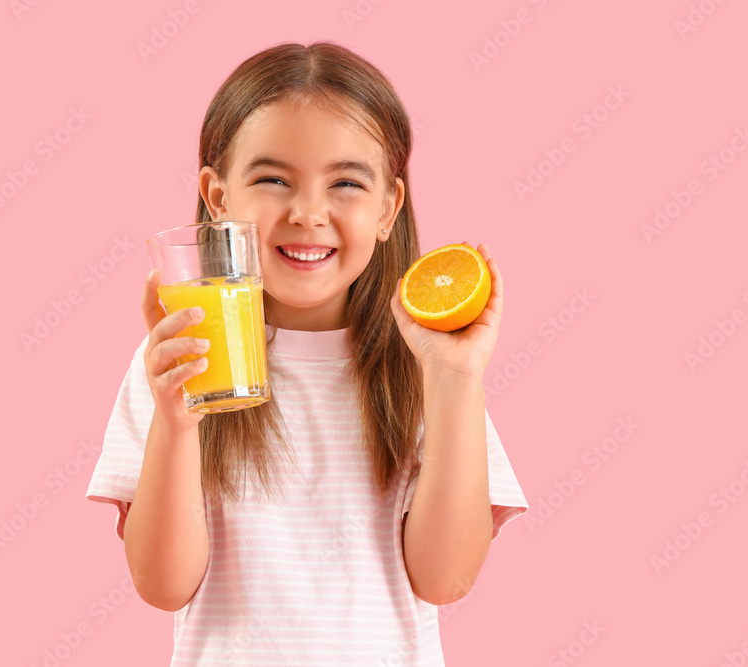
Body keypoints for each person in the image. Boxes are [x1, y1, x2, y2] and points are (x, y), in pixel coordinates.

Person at [85, 40, 528, 666]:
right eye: (272, 179)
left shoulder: (426, 368)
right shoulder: (179, 360)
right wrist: (178, 423)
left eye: (346, 183)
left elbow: (445, 579)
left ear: (388, 208)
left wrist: (455, 380)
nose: (308, 213)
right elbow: (162, 585)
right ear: (218, 198)